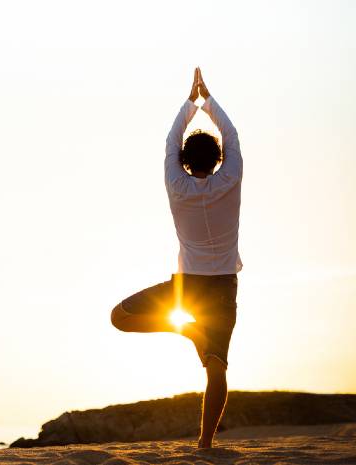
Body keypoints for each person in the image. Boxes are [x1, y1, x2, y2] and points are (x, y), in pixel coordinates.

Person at [109, 67, 243, 449]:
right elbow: (232, 136)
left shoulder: (176, 183)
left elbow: (171, 141)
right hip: (221, 287)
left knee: (119, 317)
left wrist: (190, 102)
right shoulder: (230, 178)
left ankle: (183, 328)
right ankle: (204, 444)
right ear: (218, 159)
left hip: (187, 288)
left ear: (184, 161)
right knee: (216, 369)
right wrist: (208, 100)